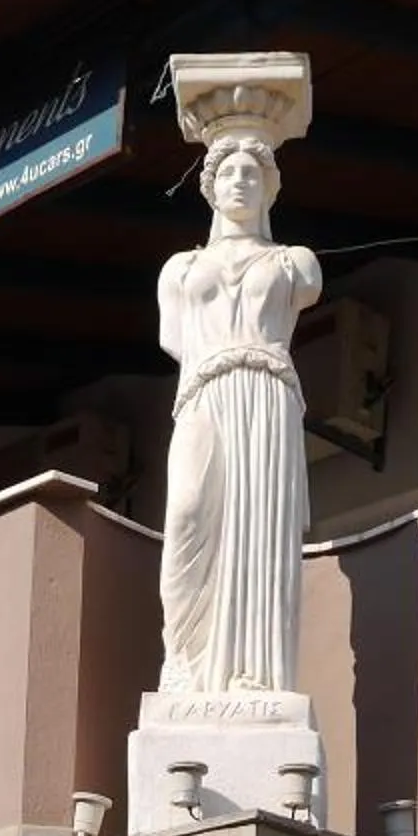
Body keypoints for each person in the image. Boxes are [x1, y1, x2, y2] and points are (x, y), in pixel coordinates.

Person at [156, 128, 322, 695]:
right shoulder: (178, 270)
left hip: (267, 397)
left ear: (271, 189)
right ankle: (185, 662)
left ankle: (253, 672)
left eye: (253, 173)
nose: (240, 182)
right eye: (228, 172)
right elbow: (175, 340)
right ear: (209, 187)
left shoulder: (297, 263)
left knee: (261, 529)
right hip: (204, 393)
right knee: (186, 516)